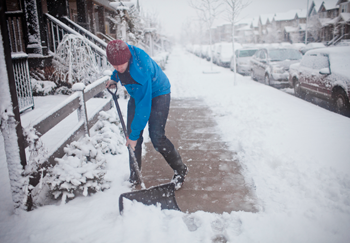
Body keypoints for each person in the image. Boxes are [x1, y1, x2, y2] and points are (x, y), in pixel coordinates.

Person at [105, 40, 188, 190]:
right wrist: (114, 77)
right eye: (114, 66)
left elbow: (144, 108)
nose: (118, 68)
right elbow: (118, 68)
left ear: (128, 59)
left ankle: (180, 169)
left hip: (159, 93)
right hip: (138, 94)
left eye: (121, 65)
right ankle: (134, 175)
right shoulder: (121, 53)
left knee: (156, 137)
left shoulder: (140, 70)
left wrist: (135, 136)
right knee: (131, 138)